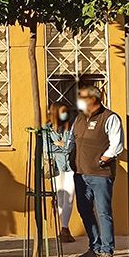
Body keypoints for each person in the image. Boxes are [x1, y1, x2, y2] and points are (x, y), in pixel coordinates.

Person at [71, 85, 124, 257]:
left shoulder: (110, 118)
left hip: (100, 174)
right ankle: (95, 247)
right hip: (80, 173)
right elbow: (73, 141)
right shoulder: (79, 118)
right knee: (84, 210)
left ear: (94, 98)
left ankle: (107, 251)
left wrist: (102, 159)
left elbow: (117, 144)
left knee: (104, 212)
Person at [44, 101, 76, 243]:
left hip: (70, 166)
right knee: (59, 196)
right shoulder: (47, 129)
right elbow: (47, 149)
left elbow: (70, 147)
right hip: (55, 167)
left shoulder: (70, 128)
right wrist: (59, 145)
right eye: (62, 111)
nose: (65, 114)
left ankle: (64, 227)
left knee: (69, 198)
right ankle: (63, 229)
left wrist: (57, 145)